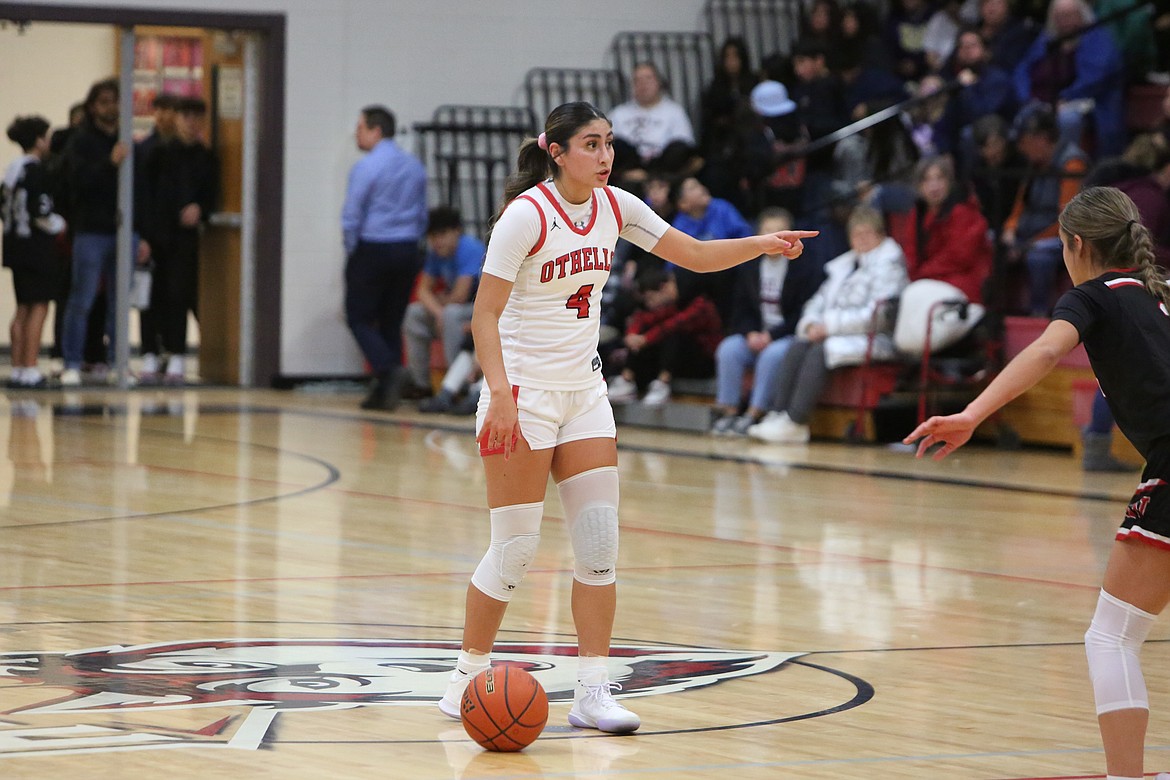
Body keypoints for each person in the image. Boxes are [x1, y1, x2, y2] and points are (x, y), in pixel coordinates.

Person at [436, 101, 816, 733]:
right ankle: (465, 675)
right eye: (592, 144)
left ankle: (592, 691)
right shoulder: (525, 217)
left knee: (600, 546)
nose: (606, 155)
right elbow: (483, 315)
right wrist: (498, 392)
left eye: (610, 143)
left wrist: (762, 245)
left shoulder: (619, 207)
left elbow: (692, 254)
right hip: (521, 396)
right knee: (515, 550)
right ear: (557, 152)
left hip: (584, 394)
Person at [903, 186, 1170, 780]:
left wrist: (971, 414)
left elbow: (1047, 351)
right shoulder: (1159, 295)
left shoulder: (1090, 297)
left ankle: (1127, 777)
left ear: (1075, 245)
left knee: (1112, 637)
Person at [748, 205, 908, 443]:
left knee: (821, 350)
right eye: (856, 234)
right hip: (836, 333)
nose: (861, 240)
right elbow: (818, 299)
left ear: (880, 235)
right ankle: (778, 414)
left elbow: (878, 315)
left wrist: (829, 327)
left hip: (877, 337)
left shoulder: (891, 264)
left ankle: (796, 421)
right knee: (799, 343)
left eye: (867, 234)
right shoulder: (842, 265)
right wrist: (812, 323)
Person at [59, 78, 149, 387]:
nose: (111, 107)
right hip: (91, 231)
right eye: (104, 101)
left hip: (126, 230)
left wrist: (143, 233)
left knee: (120, 302)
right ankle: (72, 361)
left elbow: (142, 191)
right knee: (82, 298)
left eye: (116, 101)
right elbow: (77, 184)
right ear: (93, 106)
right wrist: (109, 164)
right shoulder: (82, 141)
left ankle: (119, 363)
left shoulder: (131, 142)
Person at [710, 208, 827, 435]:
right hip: (757, 333)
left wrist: (771, 336)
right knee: (729, 349)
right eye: (768, 231)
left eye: (779, 232)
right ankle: (728, 412)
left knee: (771, 355)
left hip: (787, 334)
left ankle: (755, 414)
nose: (774, 237)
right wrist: (750, 333)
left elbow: (803, 312)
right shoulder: (749, 265)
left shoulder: (805, 266)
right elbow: (740, 307)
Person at [341, 104, 427, 411]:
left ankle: (389, 370)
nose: (356, 133)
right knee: (391, 321)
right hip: (406, 249)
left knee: (358, 317)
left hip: (374, 247)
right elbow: (420, 213)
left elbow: (352, 214)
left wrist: (353, 249)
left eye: (361, 127)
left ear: (376, 131)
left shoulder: (366, 167)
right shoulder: (414, 166)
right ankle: (385, 392)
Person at [139, 97, 218, 384]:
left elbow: (211, 196)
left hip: (184, 239)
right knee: (149, 296)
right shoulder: (157, 153)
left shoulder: (206, 157)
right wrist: (143, 236)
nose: (192, 122)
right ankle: (149, 351)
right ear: (177, 119)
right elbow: (144, 197)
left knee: (178, 295)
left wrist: (201, 209)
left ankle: (176, 353)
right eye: (187, 116)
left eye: (198, 117)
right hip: (155, 234)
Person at [1000, 105, 1088, 315]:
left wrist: (1028, 245)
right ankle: (995, 314)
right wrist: (1010, 230)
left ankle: (1037, 316)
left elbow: (1068, 220)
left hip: (1059, 238)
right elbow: (1019, 206)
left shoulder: (1072, 163)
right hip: (1028, 236)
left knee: (1039, 257)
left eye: (1023, 141)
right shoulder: (1034, 163)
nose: (1020, 148)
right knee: (993, 241)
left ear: (1041, 138)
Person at [1013, 0, 1127, 157]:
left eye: (1069, 15)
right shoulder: (1048, 39)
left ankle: (1067, 168)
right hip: (1044, 101)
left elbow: (1097, 76)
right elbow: (1023, 69)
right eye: (1058, 16)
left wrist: (1065, 97)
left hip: (1087, 103)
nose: (1064, 21)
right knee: (1024, 118)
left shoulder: (1097, 37)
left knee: (1067, 119)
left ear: (1082, 15)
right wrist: (1026, 97)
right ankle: (1029, 175)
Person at [2, 116, 66, 388]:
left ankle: (17, 367)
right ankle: (30, 367)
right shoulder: (37, 171)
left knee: (22, 308)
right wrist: (61, 223)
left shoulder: (10, 172)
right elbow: (41, 212)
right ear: (39, 140)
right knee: (39, 306)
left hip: (14, 246)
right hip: (36, 247)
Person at [605, 268, 723, 406]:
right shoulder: (671, 305)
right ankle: (626, 380)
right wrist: (632, 335)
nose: (649, 303)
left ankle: (662, 383)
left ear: (664, 288)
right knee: (645, 337)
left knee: (671, 335)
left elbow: (673, 325)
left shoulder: (700, 303)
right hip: (676, 360)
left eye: (650, 298)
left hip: (704, 360)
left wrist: (645, 339)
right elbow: (643, 318)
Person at [402, 206, 484, 402]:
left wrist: (441, 305)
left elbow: (460, 296)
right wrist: (438, 311)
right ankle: (421, 384)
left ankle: (458, 385)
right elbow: (422, 291)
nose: (437, 242)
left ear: (457, 231)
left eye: (442, 234)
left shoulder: (470, 248)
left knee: (451, 315)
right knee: (414, 313)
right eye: (433, 237)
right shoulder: (435, 254)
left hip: (480, 310)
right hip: (453, 310)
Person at [889, 155, 993, 304]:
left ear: (949, 182)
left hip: (963, 282)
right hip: (927, 280)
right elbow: (911, 252)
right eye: (927, 180)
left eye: (939, 179)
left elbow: (959, 257)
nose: (934, 186)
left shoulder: (964, 211)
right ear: (919, 185)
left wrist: (922, 274)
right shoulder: (917, 213)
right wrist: (917, 275)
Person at [608, 62, 699, 186]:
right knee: (616, 144)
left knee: (678, 148)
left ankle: (654, 177)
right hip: (631, 166)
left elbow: (685, 145)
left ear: (659, 82)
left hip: (662, 165)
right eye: (637, 80)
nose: (643, 84)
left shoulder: (674, 111)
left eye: (648, 79)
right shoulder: (618, 113)